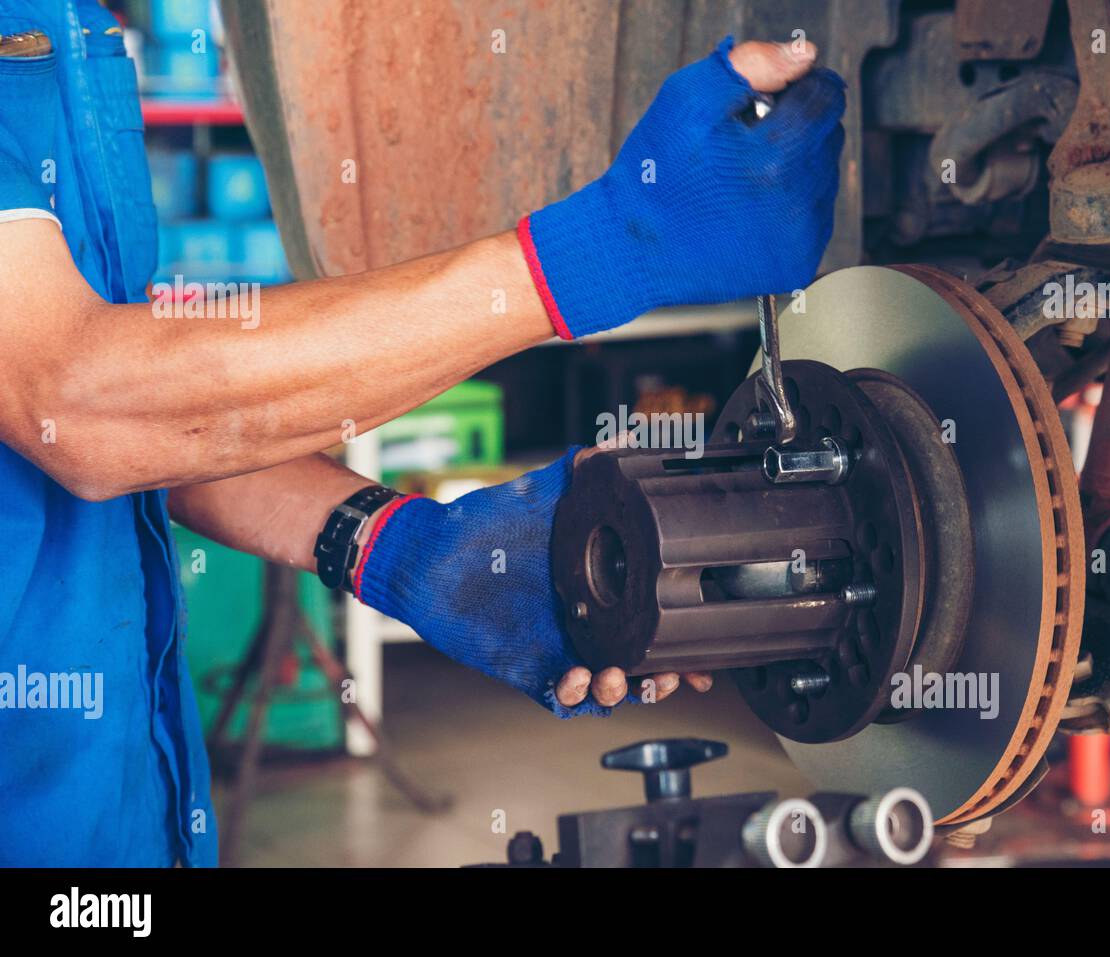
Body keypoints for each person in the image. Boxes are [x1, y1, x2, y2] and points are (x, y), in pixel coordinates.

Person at [0, 0, 846, 866]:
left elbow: (151, 425)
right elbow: (75, 401)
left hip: (129, 821)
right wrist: (608, 247)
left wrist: (401, 547)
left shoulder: (64, 21)